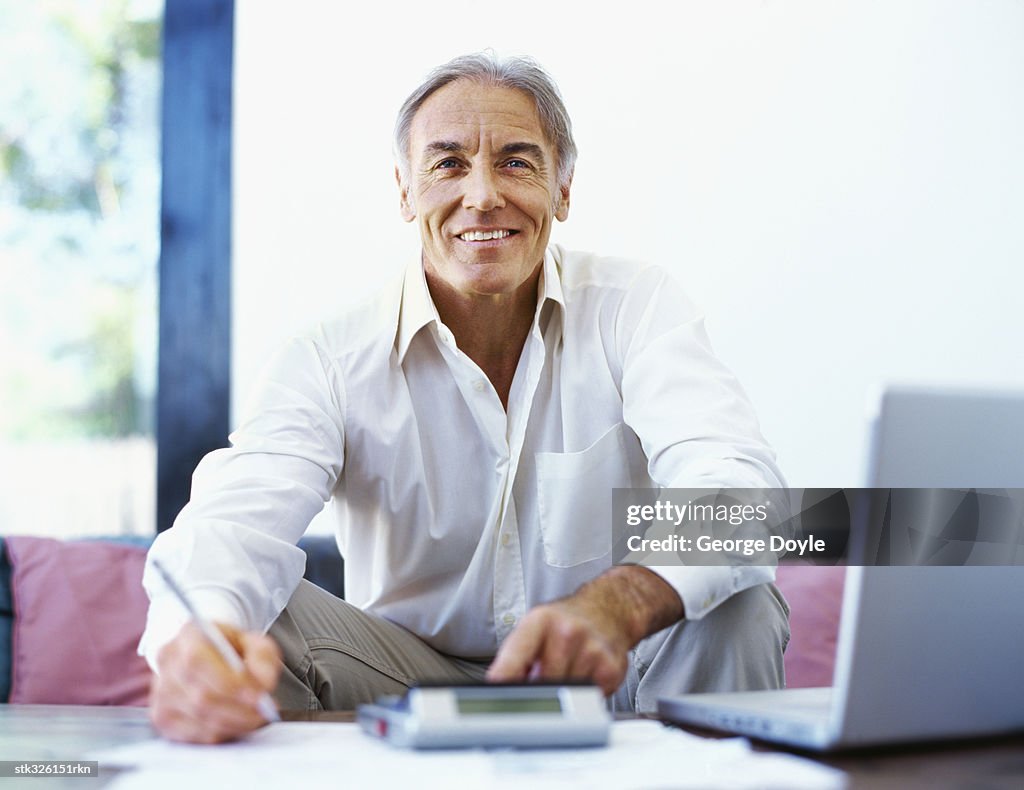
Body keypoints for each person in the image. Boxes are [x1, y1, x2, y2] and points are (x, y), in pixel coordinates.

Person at [140, 52, 790, 744]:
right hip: (400, 678)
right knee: (246, 619)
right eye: (448, 164)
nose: (481, 195)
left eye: (515, 161)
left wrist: (619, 602)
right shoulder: (328, 357)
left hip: (609, 668)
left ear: (563, 190)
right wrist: (198, 640)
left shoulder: (635, 307)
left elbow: (742, 487)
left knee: (740, 603)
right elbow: (230, 526)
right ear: (405, 191)